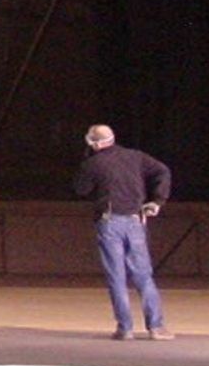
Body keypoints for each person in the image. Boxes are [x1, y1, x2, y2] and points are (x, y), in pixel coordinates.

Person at [72, 124, 172, 339]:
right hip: (135, 219)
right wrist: (157, 200)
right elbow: (162, 170)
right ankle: (156, 327)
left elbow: (81, 189)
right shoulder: (135, 156)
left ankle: (125, 328)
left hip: (109, 221)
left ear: (93, 143)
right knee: (143, 275)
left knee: (116, 276)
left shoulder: (93, 164)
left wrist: (86, 164)